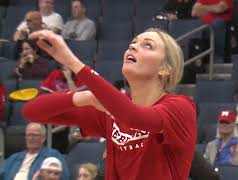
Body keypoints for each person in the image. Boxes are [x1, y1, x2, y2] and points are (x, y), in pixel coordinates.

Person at [23, 29, 197, 179]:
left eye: (148, 45)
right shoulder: (110, 112)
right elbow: (32, 112)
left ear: (164, 69)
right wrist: (85, 97)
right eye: (133, 42)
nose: (133, 46)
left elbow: (132, 116)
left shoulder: (180, 108)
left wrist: (72, 62)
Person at [0, 122, 70, 180]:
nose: (30, 138)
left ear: (43, 138)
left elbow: (64, 177)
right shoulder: (14, 158)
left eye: (35, 135)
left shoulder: (53, 155)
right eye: (28, 135)